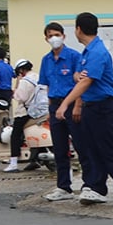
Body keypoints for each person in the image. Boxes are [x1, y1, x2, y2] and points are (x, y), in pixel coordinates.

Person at [53, 12, 113, 206]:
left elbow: (86, 81)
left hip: (102, 107)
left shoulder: (97, 52)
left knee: (107, 149)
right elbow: (78, 76)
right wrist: (78, 80)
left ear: (78, 29)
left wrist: (65, 104)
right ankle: (97, 188)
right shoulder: (87, 52)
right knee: (92, 150)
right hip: (89, 107)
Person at [39, 21, 83, 201]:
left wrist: (78, 105)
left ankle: (89, 184)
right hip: (55, 105)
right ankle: (64, 187)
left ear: (64, 36)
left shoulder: (74, 57)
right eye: (50, 36)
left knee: (81, 145)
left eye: (57, 34)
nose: (54, 38)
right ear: (46, 39)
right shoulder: (46, 60)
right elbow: (47, 85)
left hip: (72, 105)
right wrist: (50, 109)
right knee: (59, 148)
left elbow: (82, 83)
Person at [5, 60, 46, 173]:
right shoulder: (37, 77)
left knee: (15, 135)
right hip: (40, 111)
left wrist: (16, 86)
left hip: (26, 112)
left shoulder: (24, 81)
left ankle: (13, 163)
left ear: (21, 70)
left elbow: (19, 97)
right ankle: (34, 159)